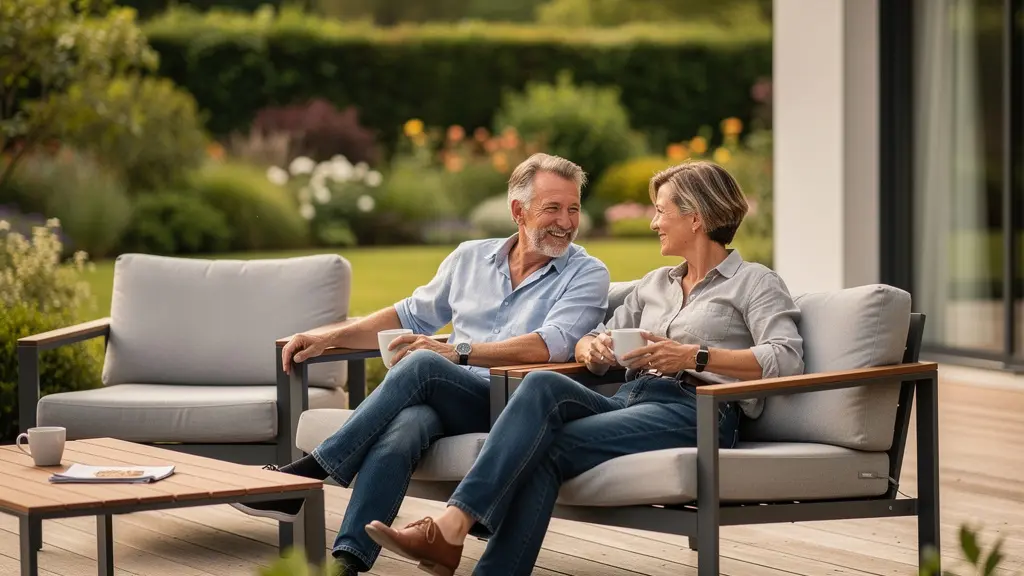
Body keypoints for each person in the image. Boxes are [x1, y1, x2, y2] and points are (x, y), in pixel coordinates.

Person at [365, 160, 806, 576]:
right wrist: (593, 346)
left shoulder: (755, 282)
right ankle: (453, 532)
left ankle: (449, 528)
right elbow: (603, 335)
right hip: (631, 399)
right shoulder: (655, 284)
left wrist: (694, 357)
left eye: (660, 212)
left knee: (544, 450)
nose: (653, 222)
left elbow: (786, 358)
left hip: (699, 411)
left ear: (695, 218)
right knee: (540, 387)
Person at [230, 153, 611, 575]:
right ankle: (346, 562)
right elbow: (407, 315)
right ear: (518, 211)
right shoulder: (470, 258)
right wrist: (326, 338)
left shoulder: (587, 273)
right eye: (553, 208)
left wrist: (458, 352)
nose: (566, 221)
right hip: (454, 398)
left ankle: (307, 474)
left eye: (573, 208)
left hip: (520, 406)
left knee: (423, 364)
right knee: (404, 429)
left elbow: (551, 345)